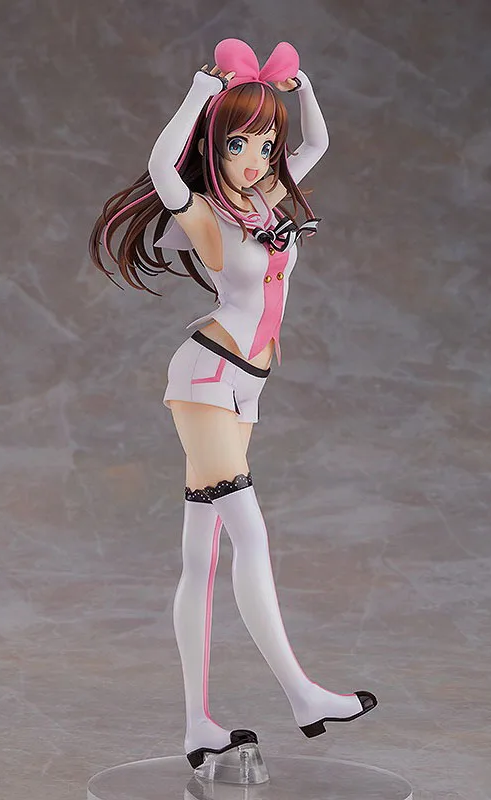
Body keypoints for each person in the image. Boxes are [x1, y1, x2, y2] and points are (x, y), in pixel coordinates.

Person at [89, 38, 377, 770]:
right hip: (208, 378)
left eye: (265, 144)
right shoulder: (209, 216)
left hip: (246, 385)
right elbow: (163, 169)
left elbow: (318, 143)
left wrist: (302, 89)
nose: (256, 159)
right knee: (250, 535)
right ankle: (303, 694)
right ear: (214, 144)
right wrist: (199, 90)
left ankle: (197, 725)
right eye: (239, 143)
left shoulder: (264, 199)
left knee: (202, 554)